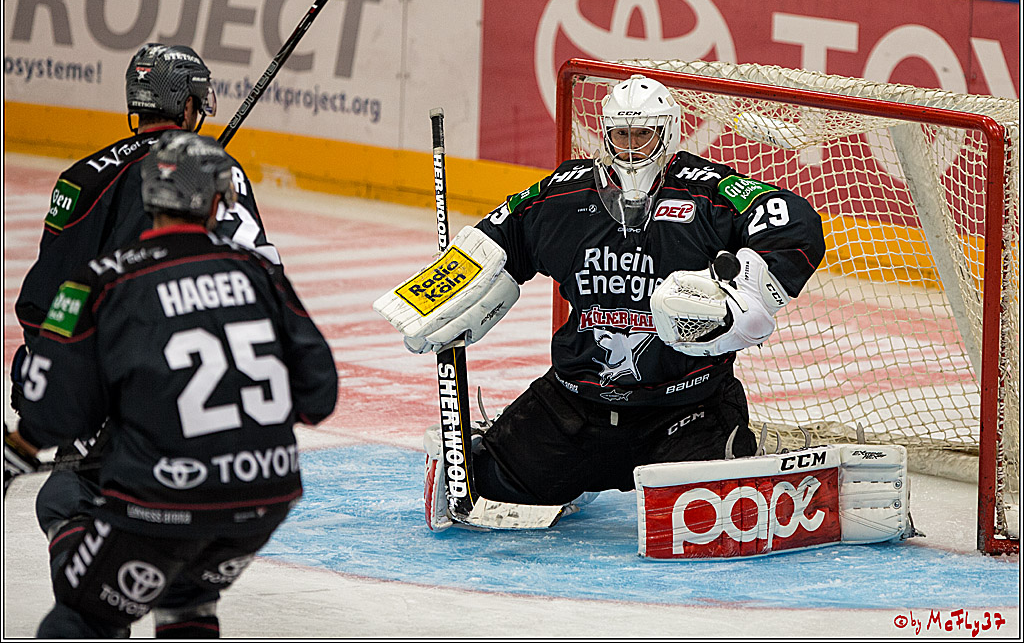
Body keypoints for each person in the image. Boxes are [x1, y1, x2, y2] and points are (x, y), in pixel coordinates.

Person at [377, 74, 826, 526]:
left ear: (667, 134)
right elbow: (501, 234)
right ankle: (549, 464)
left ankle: (742, 452)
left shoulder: (705, 190)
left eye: (643, 135)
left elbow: (794, 222)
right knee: (482, 486)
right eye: (621, 135)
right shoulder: (567, 194)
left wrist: (743, 292)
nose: (631, 148)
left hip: (687, 410)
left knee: (708, 521)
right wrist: (444, 290)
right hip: (575, 406)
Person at [5, 131, 338, 637]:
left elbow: (51, 417)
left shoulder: (102, 280)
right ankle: (186, 610)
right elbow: (320, 395)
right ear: (216, 203)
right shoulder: (259, 272)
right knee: (186, 599)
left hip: (165, 502)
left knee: (76, 569)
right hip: (265, 498)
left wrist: (12, 458)